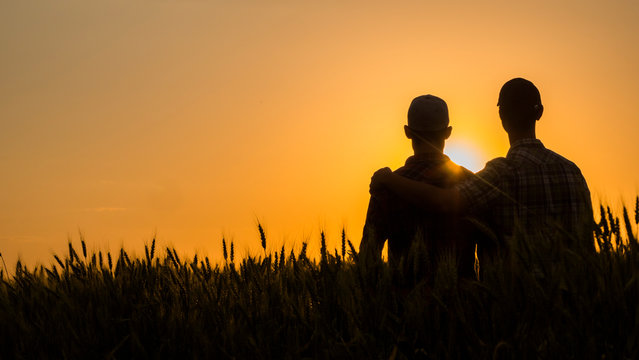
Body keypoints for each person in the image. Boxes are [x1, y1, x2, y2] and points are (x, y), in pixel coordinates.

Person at [370, 78, 594, 262]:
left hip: (513, 308)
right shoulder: (573, 173)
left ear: (501, 116)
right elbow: (588, 248)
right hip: (573, 310)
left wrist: (389, 179)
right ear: (540, 112)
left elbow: (445, 202)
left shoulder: (498, 175)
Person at [360, 95, 474, 285]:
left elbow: (368, 260)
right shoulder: (472, 183)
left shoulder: (387, 187)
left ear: (407, 132)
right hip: (464, 308)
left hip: (403, 308)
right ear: (448, 132)